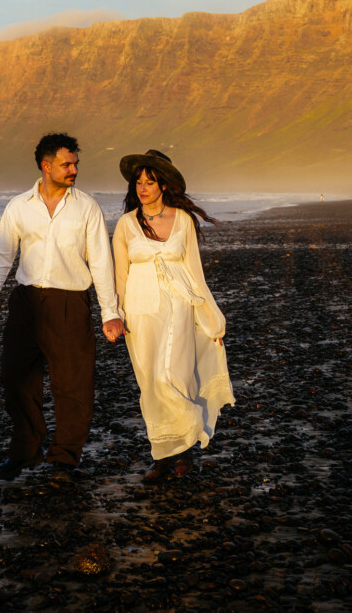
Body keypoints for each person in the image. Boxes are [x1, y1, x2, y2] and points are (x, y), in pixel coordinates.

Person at [0, 133, 124, 485]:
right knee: (16, 378)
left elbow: (101, 262)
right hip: (26, 302)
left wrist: (110, 312)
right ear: (46, 167)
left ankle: (64, 459)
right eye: (66, 164)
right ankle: (25, 451)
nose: (74, 169)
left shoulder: (86, 206)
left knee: (74, 384)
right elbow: (1, 256)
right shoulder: (18, 206)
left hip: (69, 303)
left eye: (75, 163)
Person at [111, 149, 235, 482]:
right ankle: (164, 456)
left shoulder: (182, 220)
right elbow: (120, 276)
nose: (143, 188)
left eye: (149, 182)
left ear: (163, 185)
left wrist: (212, 318)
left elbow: (196, 274)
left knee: (175, 375)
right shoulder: (125, 225)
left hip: (179, 308)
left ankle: (183, 446)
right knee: (150, 383)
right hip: (140, 312)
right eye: (138, 182)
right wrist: (115, 314)